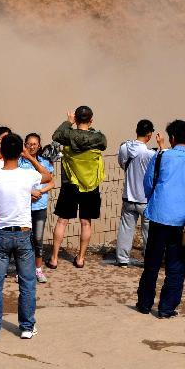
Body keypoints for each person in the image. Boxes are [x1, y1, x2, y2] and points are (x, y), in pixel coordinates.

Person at [136, 120, 185, 318]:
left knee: (151, 262)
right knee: (176, 266)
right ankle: (166, 308)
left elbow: (148, 184)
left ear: (172, 139)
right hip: (182, 220)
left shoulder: (161, 157)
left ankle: (144, 304)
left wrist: (156, 199)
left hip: (158, 217)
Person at [0, 133, 53, 340]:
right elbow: (48, 177)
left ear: (2, 151)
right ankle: (26, 327)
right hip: (23, 234)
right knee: (27, 282)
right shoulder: (27, 174)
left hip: (1, 234)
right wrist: (30, 157)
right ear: (20, 150)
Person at [49, 106, 107, 269]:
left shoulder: (67, 136)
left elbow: (56, 136)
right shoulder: (99, 138)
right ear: (91, 120)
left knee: (62, 221)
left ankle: (54, 259)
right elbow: (102, 143)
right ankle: (80, 259)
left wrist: (68, 122)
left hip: (70, 184)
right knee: (86, 223)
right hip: (90, 185)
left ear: (76, 119)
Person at [109, 119, 161, 268]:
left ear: (136, 131)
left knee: (125, 229)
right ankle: (149, 258)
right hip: (145, 199)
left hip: (128, 196)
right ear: (150, 134)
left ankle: (122, 259)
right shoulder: (150, 153)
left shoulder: (124, 147)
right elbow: (157, 172)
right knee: (148, 231)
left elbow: (122, 164)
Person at [21, 133, 55, 283]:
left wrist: (41, 191)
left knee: (38, 238)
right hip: (23, 206)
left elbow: (51, 182)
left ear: (39, 145)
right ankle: (23, 270)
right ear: (25, 145)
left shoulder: (44, 162)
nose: (32, 146)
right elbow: (17, 184)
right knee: (24, 239)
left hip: (40, 206)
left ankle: (38, 269)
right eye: (29, 143)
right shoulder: (19, 163)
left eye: (35, 144)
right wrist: (29, 193)